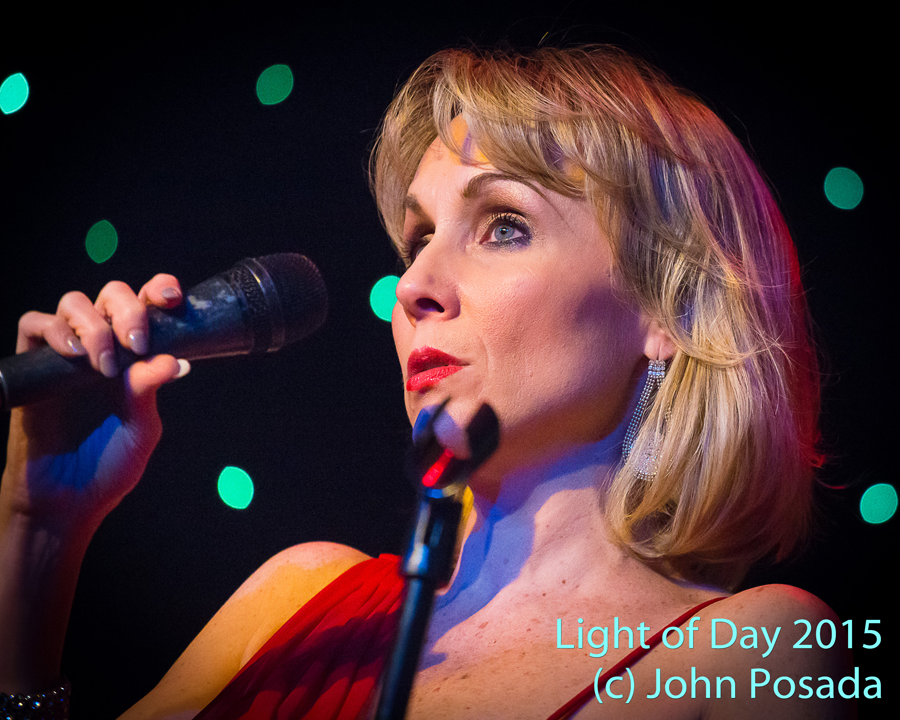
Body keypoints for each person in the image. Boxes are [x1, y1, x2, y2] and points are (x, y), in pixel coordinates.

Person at [0, 45, 856, 719]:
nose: (414, 285)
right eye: (417, 240)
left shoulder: (754, 651)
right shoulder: (298, 597)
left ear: (667, 305)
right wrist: (39, 537)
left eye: (505, 226)